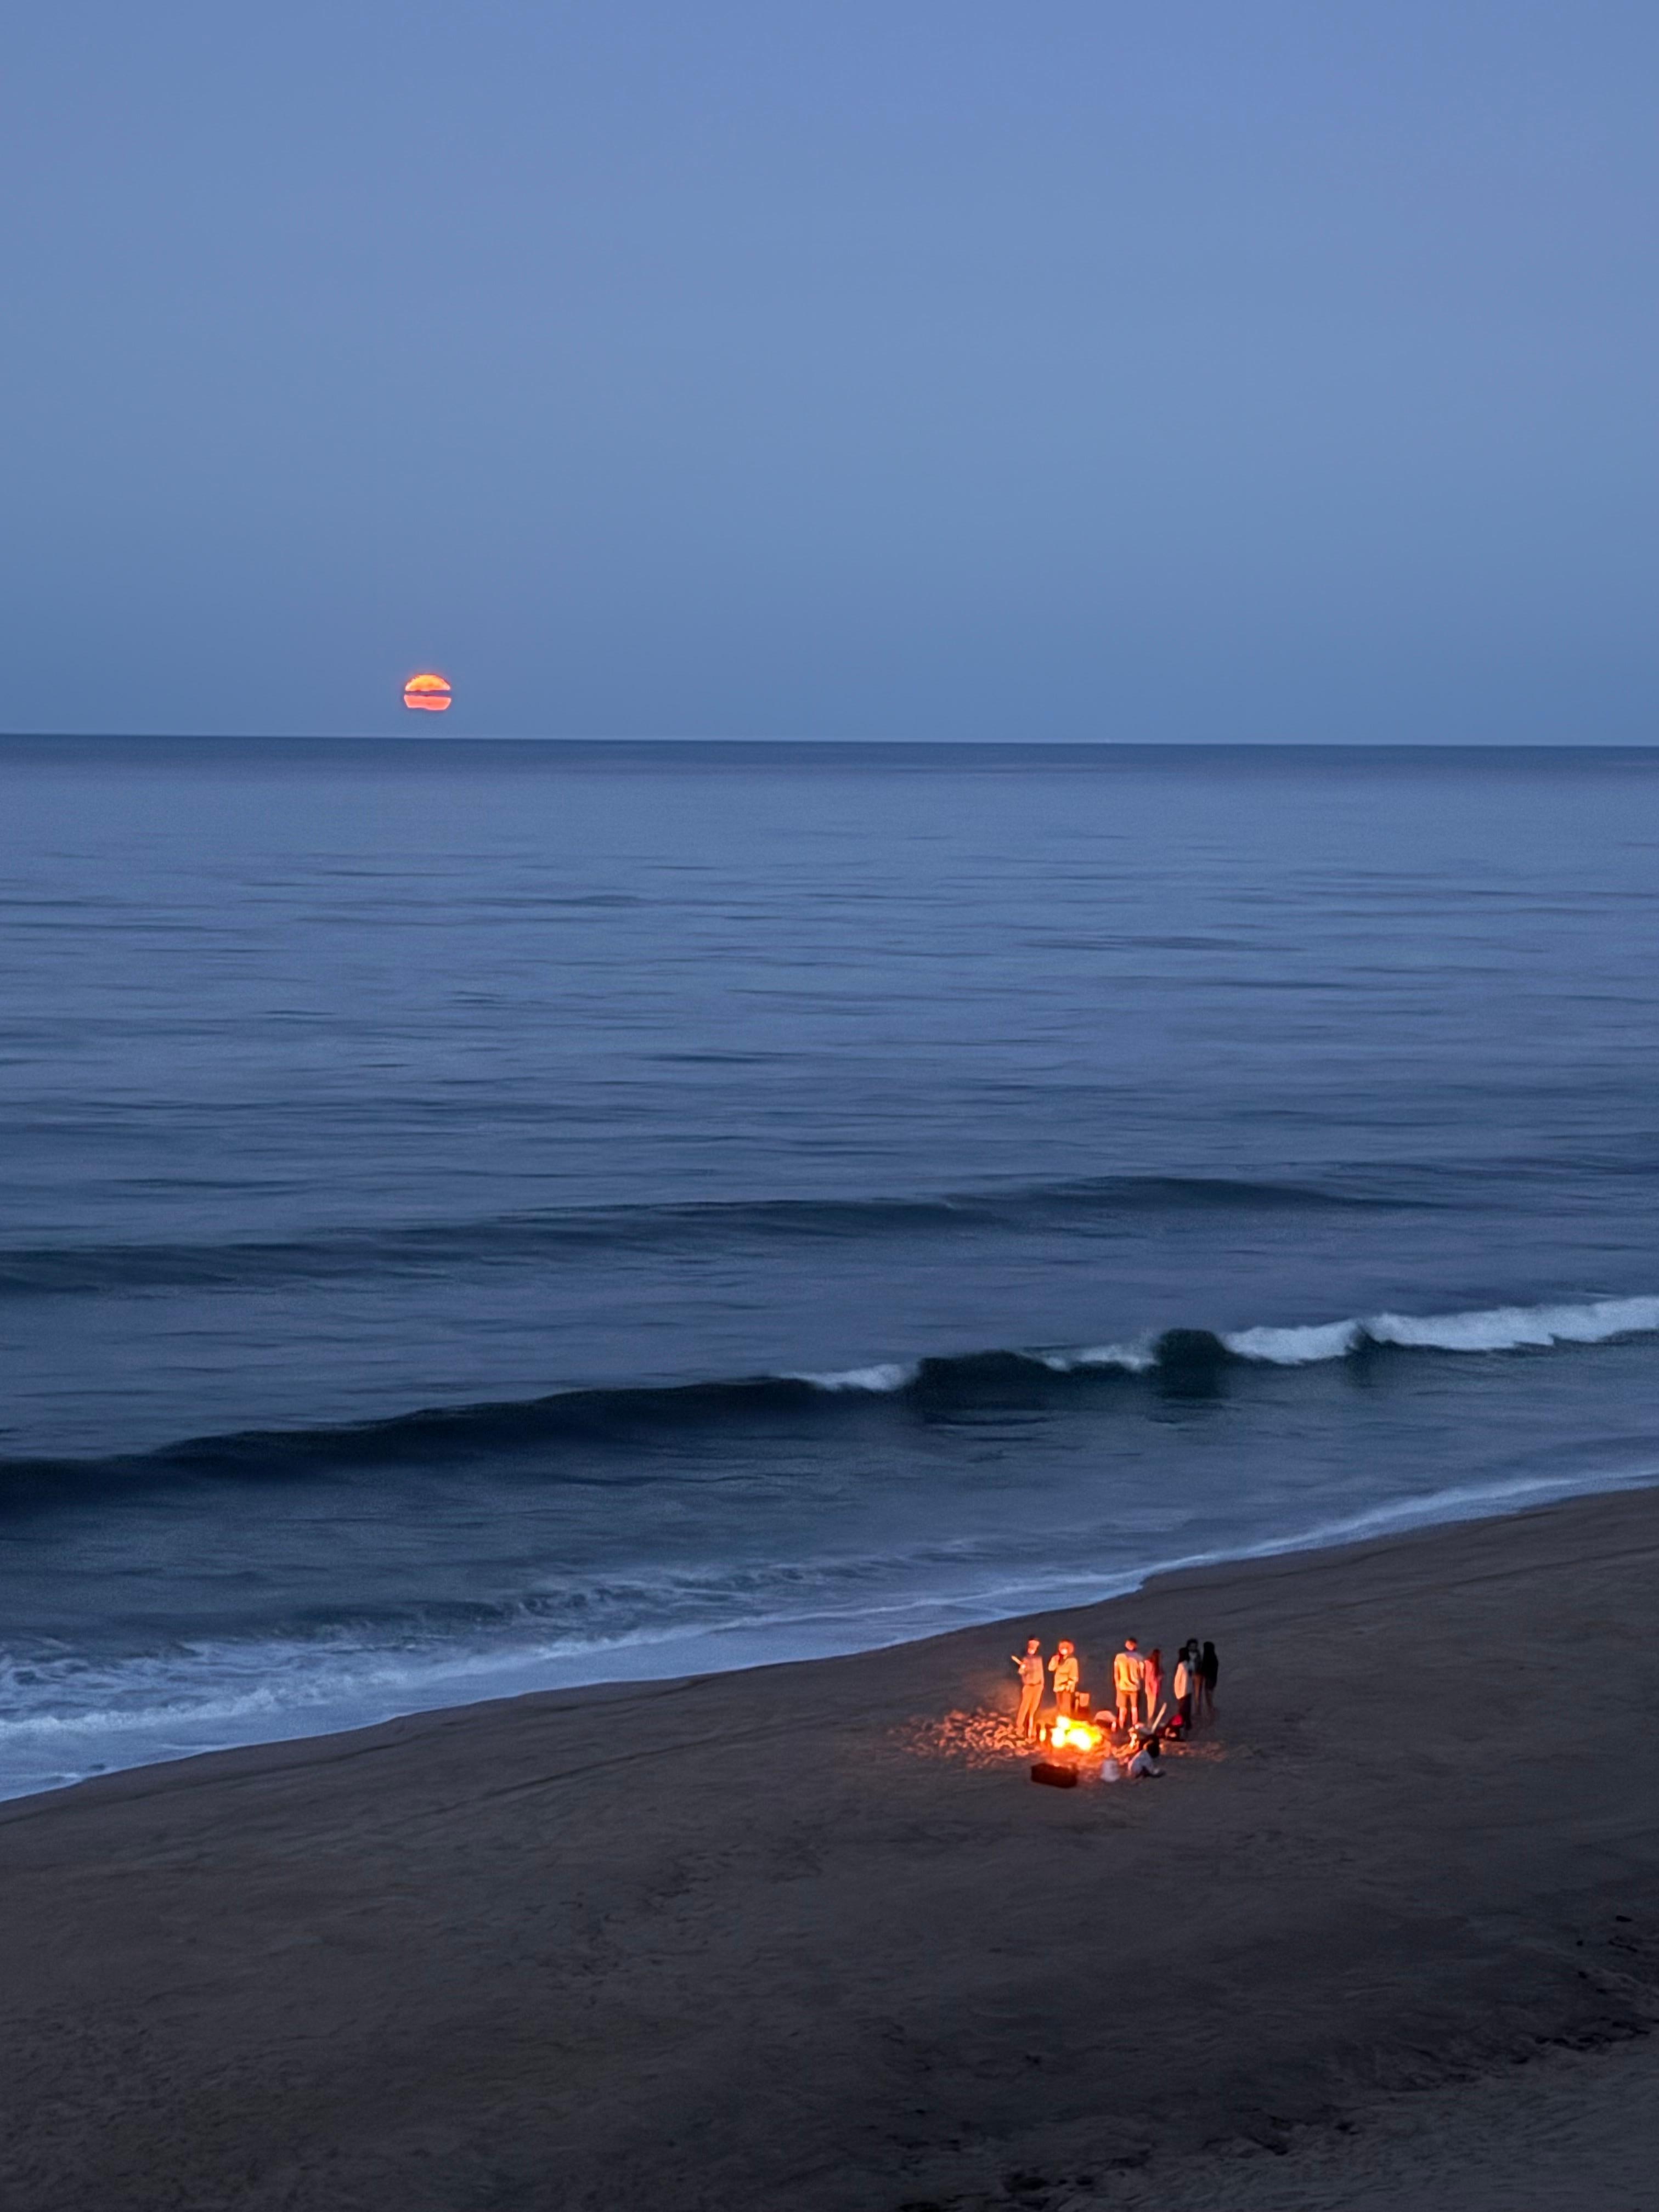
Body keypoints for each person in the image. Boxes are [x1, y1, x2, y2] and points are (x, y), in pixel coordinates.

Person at [1012, 1637, 1046, 1744]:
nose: (1032, 1649)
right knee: (1024, 1707)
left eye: (1034, 1648)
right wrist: (1022, 1667)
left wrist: (1042, 1684)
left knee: (1034, 1708)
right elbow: (1021, 1673)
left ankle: (1032, 1729)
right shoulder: (1025, 1659)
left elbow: (1041, 1672)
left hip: (1037, 1686)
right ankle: (1019, 1728)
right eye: (1031, 1647)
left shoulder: (1039, 1659)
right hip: (1028, 1686)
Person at [1111, 1635, 1144, 1731]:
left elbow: (1116, 1673)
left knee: (1122, 1708)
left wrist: (1117, 1684)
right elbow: (1142, 1674)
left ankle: (1122, 1726)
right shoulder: (1140, 1658)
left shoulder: (1119, 1657)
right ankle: (1134, 1727)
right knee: (1134, 1708)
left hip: (1122, 1686)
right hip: (1135, 1687)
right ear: (1135, 1645)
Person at [1048, 1639, 1080, 1717]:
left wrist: (1069, 1685)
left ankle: (1066, 1723)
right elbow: (1051, 1668)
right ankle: (1060, 1722)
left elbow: (1074, 1675)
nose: (1063, 1649)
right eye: (1062, 1648)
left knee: (1065, 1707)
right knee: (1059, 1707)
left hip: (1066, 1688)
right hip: (1058, 1687)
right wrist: (1054, 1660)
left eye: (1065, 1647)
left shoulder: (1072, 1660)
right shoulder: (1059, 1660)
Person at [1172, 1647, 1196, 1730]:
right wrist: (1178, 1693)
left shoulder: (1189, 1664)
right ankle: (1181, 1726)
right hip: (1183, 1693)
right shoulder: (1182, 1666)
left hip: (1188, 1691)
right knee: (1183, 1711)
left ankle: (1187, 1724)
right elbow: (1177, 1681)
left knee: (1187, 1710)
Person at [1199, 1639, 1219, 1724]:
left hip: (1209, 1681)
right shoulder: (1214, 1657)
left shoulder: (1208, 1658)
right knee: (1210, 1696)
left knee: (1208, 1697)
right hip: (1213, 1680)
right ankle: (1211, 1710)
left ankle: (1210, 1711)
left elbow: (1205, 1670)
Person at [1142, 1645, 1164, 1722]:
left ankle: (1151, 1720)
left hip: (1154, 1687)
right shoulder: (1151, 1664)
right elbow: (1149, 1677)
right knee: (1151, 1705)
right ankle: (1150, 1721)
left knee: (1152, 1705)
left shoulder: (1153, 1664)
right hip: (1152, 1687)